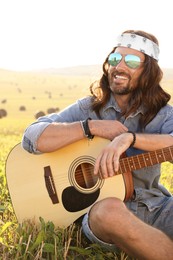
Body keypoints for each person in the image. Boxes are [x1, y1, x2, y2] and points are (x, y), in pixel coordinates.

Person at [22, 30, 173, 259]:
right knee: (109, 211)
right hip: (104, 214)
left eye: (131, 61)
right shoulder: (88, 108)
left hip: (156, 208)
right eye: (115, 59)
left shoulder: (163, 115)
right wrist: (89, 127)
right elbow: (32, 138)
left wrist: (129, 138)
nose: (119, 66)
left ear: (148, 71)